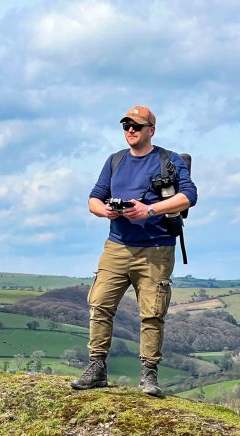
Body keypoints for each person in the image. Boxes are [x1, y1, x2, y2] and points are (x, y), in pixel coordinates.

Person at [71, 105, 198, 396]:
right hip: (117, 246)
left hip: (156, 249)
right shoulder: (115, 160)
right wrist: (105, 211)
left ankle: (149, 375)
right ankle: (96, 368)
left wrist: (149, 210)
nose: (130, 130)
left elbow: (189, 196)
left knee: (152, 314)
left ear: (150, 130)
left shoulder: (169, 160)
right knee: (100, 305)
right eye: (126, 126)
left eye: (137, 126)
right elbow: (93, 197)